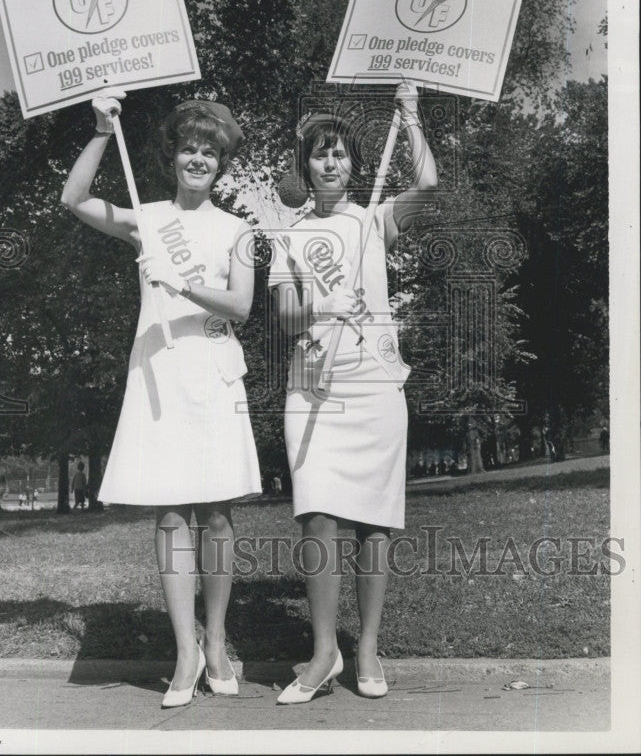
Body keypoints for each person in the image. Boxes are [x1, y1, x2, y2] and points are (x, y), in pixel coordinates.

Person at [61, 91, 261, 707]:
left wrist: (182, 281)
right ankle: (185, 651)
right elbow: (72, 200)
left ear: (221, 163)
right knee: (171, 516)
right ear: (172, 157)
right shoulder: (148, 218)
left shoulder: (238, 229)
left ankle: (219, 641)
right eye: (188, 149)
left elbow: (243, 307)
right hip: (160, 377)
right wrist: (100, 130)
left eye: (209, 151)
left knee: (218, 516)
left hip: (214, 372)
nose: (197, 158)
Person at [268, 83, 437, 703]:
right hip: (313, 387)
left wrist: (411, 116)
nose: (331, 163)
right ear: (305, 167)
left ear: (353, 165)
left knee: (374, 524)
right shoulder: (286, 234)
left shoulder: (374, 220)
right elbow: (285, 318)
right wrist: (320, 301)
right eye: (319, 155)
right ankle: (322, 654)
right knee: (316, 514)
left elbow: (428, 184)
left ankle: (366, 649)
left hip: (374, 387)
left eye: (340, 153)